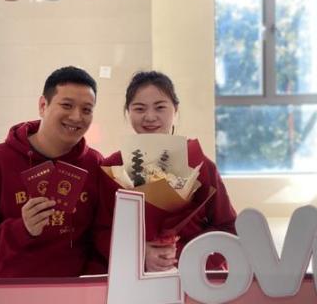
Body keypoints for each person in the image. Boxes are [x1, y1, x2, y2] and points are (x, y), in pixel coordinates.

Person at [0, 66, 104, 278]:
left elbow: (102, 238)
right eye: (67, 105)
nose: (76, 116)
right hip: (10, 289)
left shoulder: (95, 165)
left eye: (87, 110)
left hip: (75, 289)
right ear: (43, 105)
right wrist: (22, 229)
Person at [96, 70, 237, 272]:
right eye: (139, 108)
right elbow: (101, 231)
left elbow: (228, 227)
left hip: (193, 275)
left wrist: (185, 258)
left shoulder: (199, 164)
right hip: (134, 276)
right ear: (128, 111)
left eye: (160, 107)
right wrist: (140, 255)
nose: (150, 117)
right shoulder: (113, 168)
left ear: (175, 109)